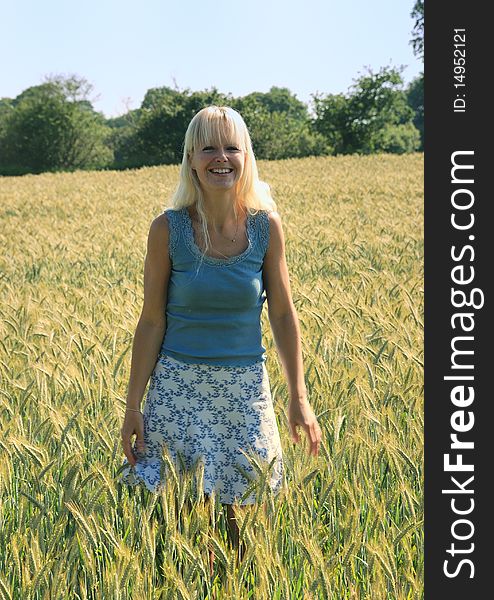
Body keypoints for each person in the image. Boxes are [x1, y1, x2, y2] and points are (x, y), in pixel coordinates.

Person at [119, 105, 322, 573]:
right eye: (208, 147)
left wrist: (299, 397)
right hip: (178, 390)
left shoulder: (265, 227)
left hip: (244, 391)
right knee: (187, 525)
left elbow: (284, 314)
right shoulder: (167, 229)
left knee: (245, 530)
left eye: (232, 147)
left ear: (246, 157)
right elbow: (151, 322)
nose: (221, 157)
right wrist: (133, 406)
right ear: (191, 158)